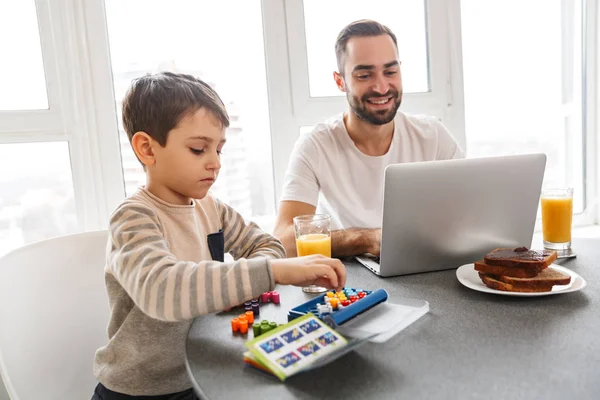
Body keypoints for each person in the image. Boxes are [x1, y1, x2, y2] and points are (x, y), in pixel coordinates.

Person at [92, 72, 346, 399]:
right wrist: (273, 272)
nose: (215, 163)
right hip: (140, 390)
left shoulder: (212, 208)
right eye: (199, 149)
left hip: (202, 372)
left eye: (219, 150)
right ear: (147, 148)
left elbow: (265, 244)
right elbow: (162, 290)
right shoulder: (133, 218)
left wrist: (249, 279)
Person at [274, 19, 464, 258]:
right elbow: (284, 239)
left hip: (422, 273)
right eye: (364, 75)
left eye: (390, 72)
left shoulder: (433, 136)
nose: (382, 87)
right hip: (346, 281)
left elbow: (470, 217)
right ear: (340, 81)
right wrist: (362, 240)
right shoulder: (315, 146)